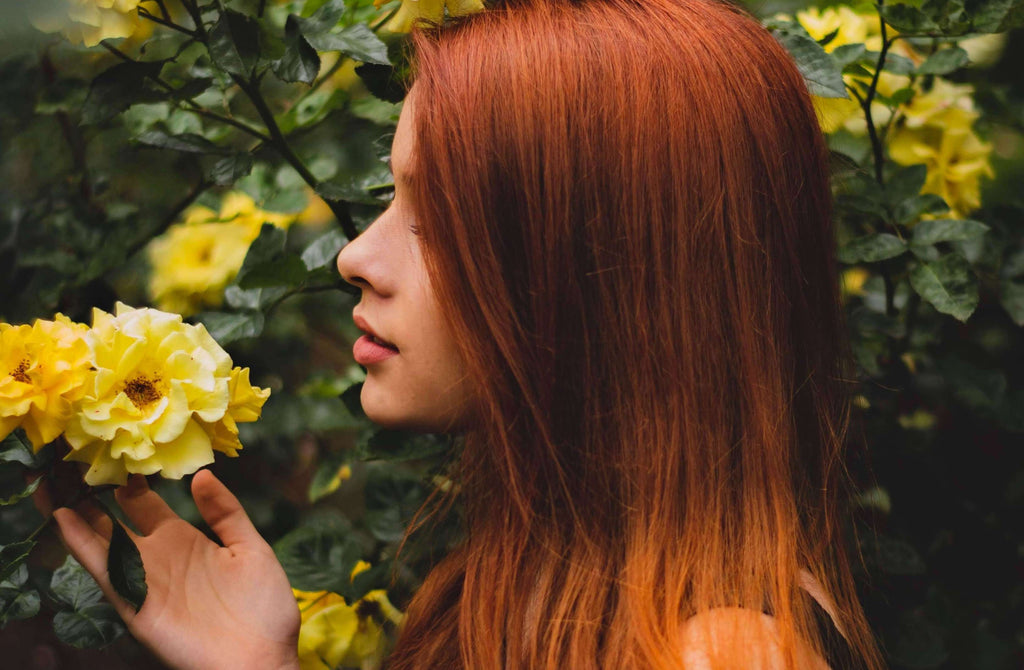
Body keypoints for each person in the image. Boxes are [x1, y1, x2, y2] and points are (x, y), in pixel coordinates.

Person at [48, 0, 886, 667]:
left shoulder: (725, 652)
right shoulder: (527, 588)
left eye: (439, 215)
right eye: (393, 199)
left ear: (606, 268)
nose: (353, 255)